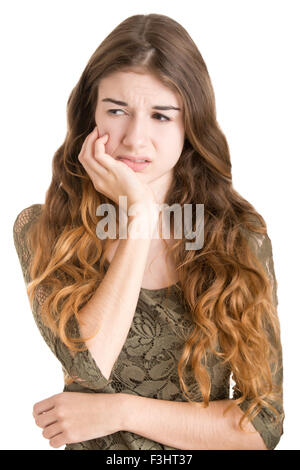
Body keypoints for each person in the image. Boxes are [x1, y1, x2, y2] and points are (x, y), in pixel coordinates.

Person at [13, 13, 284, 450]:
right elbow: (90, 366)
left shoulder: (238, 237)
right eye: (116, 110)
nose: (136, 140)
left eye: (161, 115)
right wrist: (139, 215)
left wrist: (122, 410)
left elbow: (263, 423)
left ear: (189, 124)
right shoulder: (47, 229)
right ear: (90, 114)